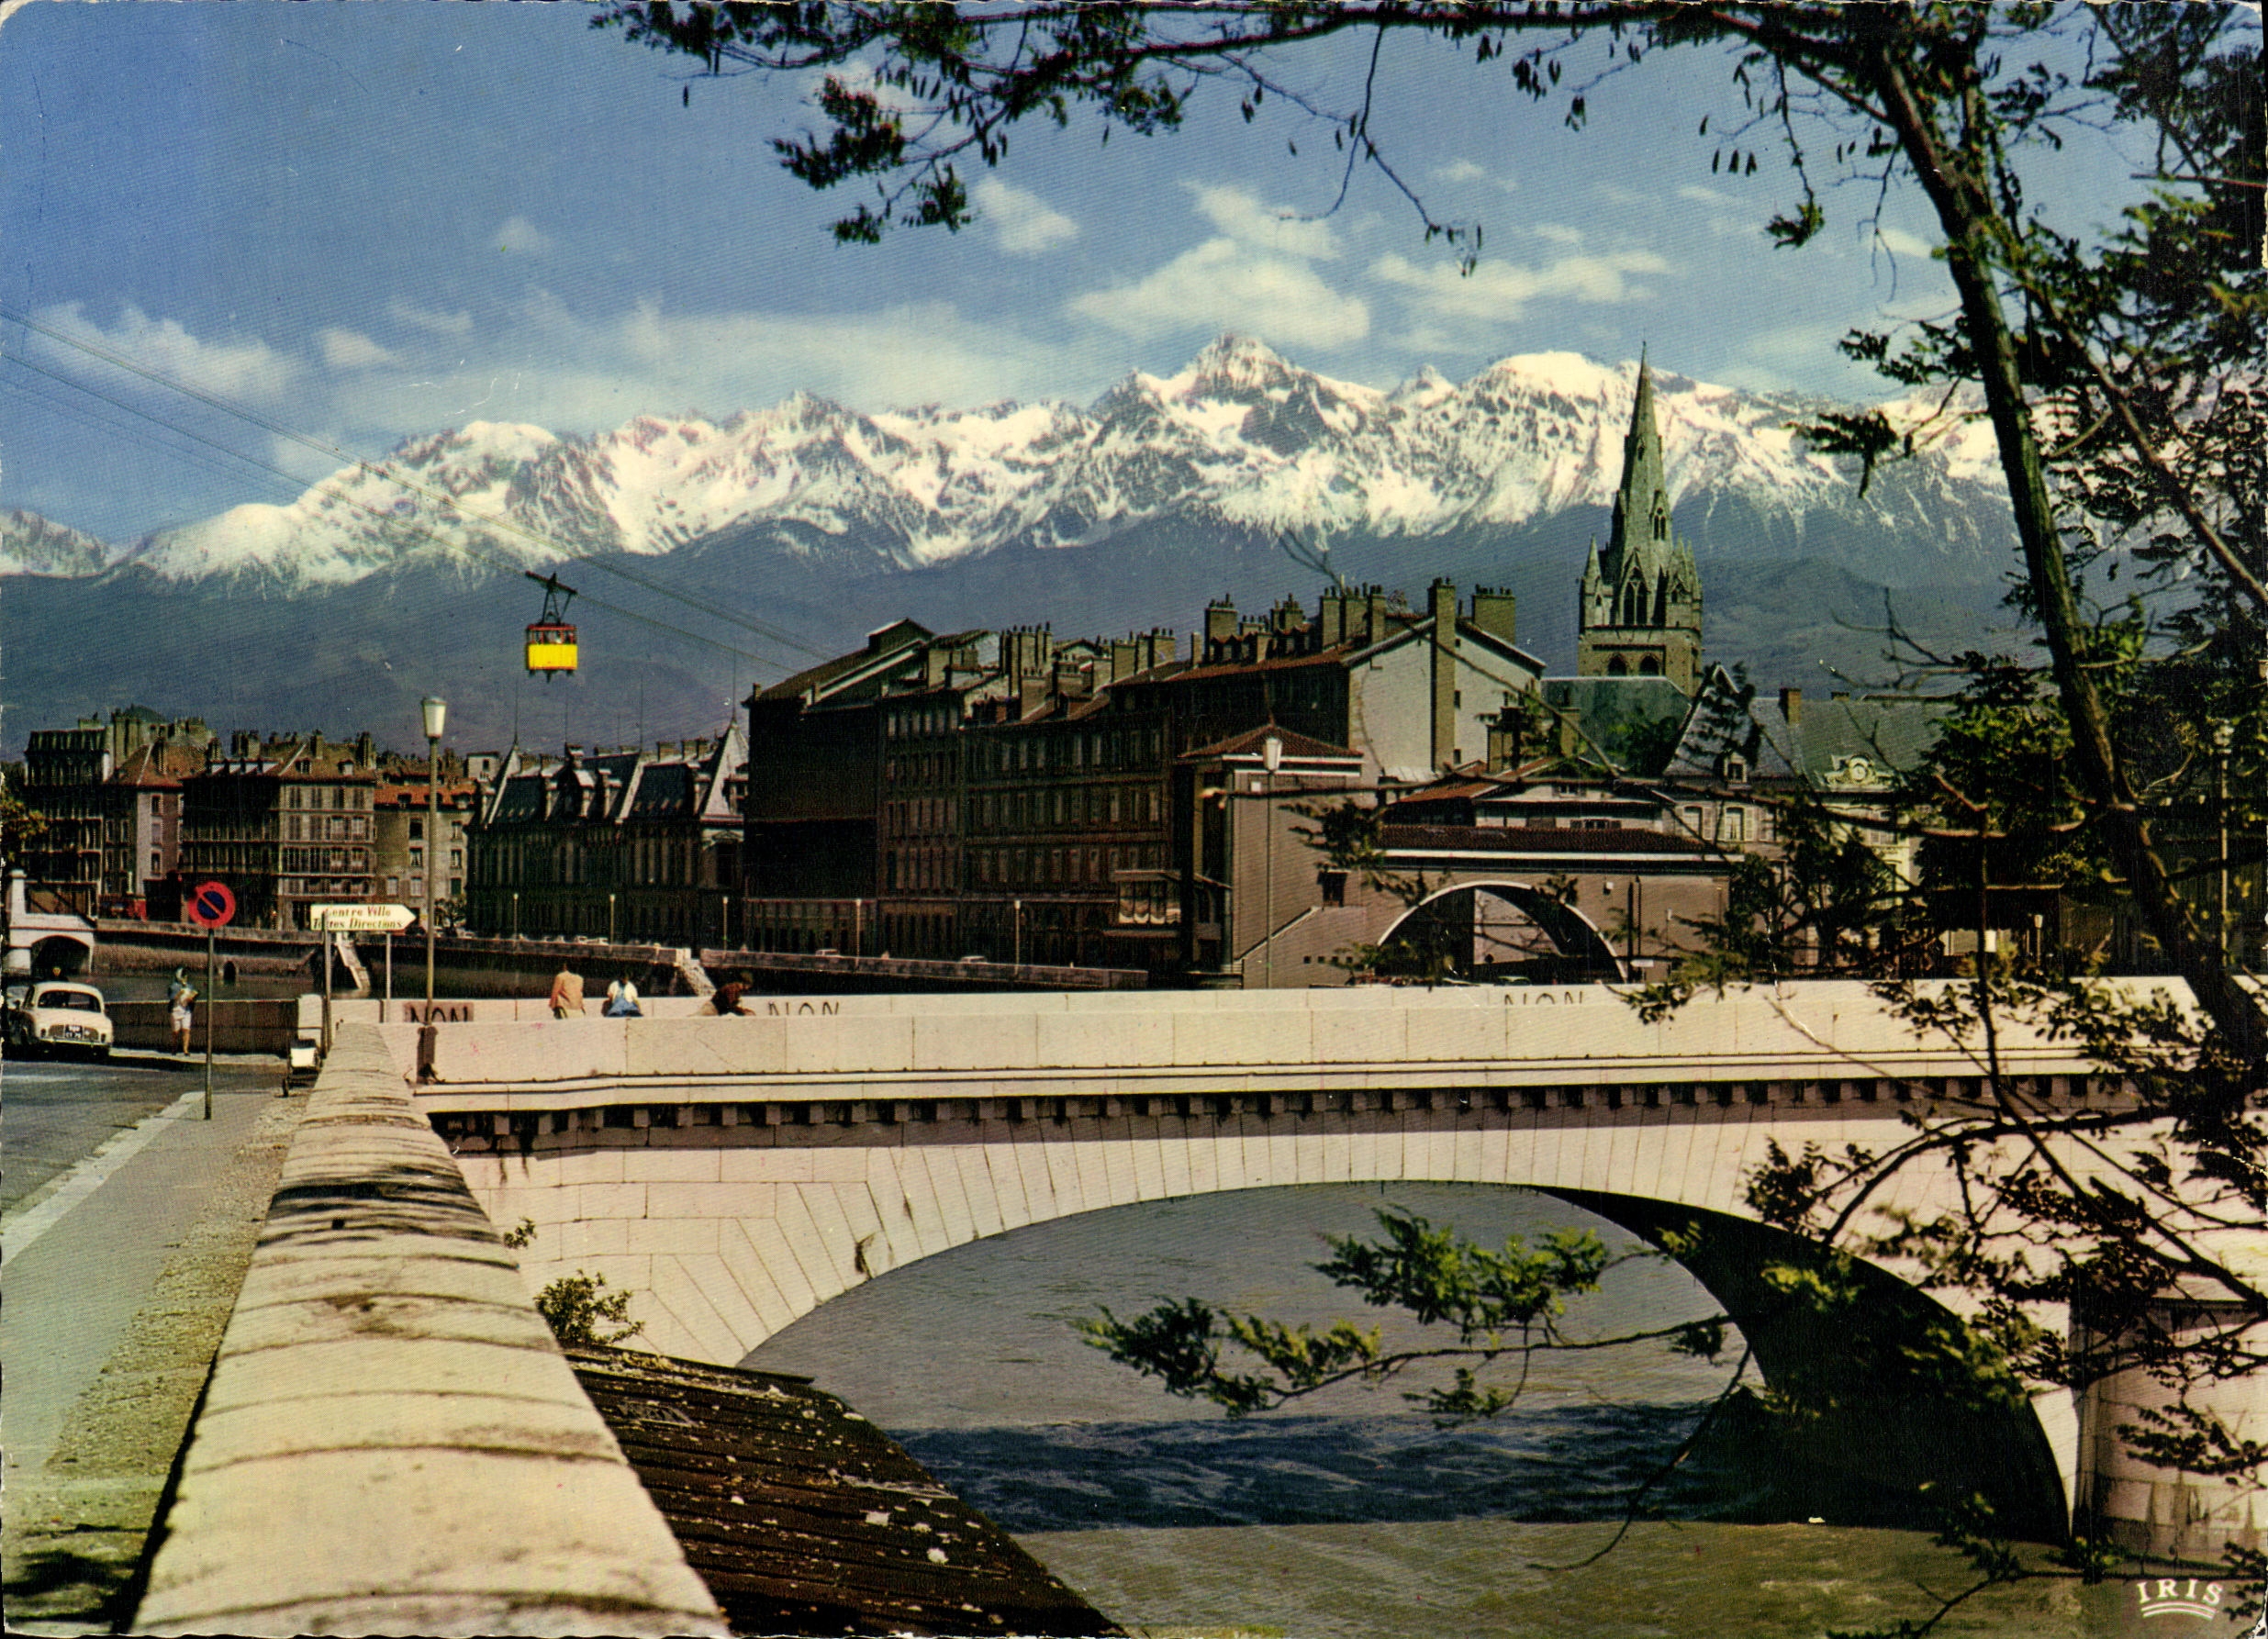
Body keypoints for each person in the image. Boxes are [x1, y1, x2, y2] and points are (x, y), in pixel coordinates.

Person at [167, 967, 196, 1054]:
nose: (185, 978)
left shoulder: (190, 986)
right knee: (175, 1031)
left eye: (186, 976)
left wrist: (192, 998)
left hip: (186, 1010)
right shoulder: (173, 987)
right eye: (183, 976)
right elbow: (172, 998)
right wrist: (180, 993)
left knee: (186, 1029)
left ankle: (185, 1049)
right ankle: (174, 1047)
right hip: (176, 1010)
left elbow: (193, 996)